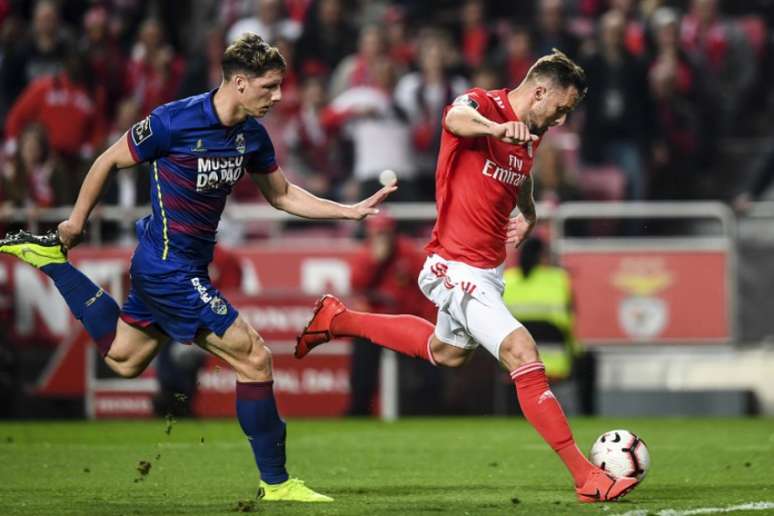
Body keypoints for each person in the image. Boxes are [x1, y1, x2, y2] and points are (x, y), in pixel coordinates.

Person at [0, 33, 395, 503]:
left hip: (181, 265)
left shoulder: (251, 134)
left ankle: (52, 264)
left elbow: (283, 194)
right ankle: (277, 482)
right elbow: (107, 160)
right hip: (167, 265)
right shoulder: (173, 121)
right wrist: (76, 222)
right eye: (269, 87)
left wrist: (346, 211)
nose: (278, 96)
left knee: (125, 359)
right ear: (241, 83)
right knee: (255, 357)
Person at [296, 50, 639, 503]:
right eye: (560, 108)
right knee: (521, 350)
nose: (561, 119)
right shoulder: (481, 105)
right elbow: (456, 119)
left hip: (486, 270)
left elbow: (520, 172)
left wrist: (529, 212)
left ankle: (337, 320)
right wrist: (498, 128)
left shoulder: (530, 133)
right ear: (539, 91)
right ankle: (586, 477)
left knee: (448, 351)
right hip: (453, 265)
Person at [346, 211, 435, 415]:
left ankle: (429, 409)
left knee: (429, 362)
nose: (381, 238)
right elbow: (357, 286)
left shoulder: (408, 253)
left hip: (407, 320)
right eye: (377, 233)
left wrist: (429, 320)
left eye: (384, 233)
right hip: (377, 323)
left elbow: (427, 289)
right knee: (362, 360)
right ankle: (359, 409)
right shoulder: (365, 256)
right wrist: (375, 261)